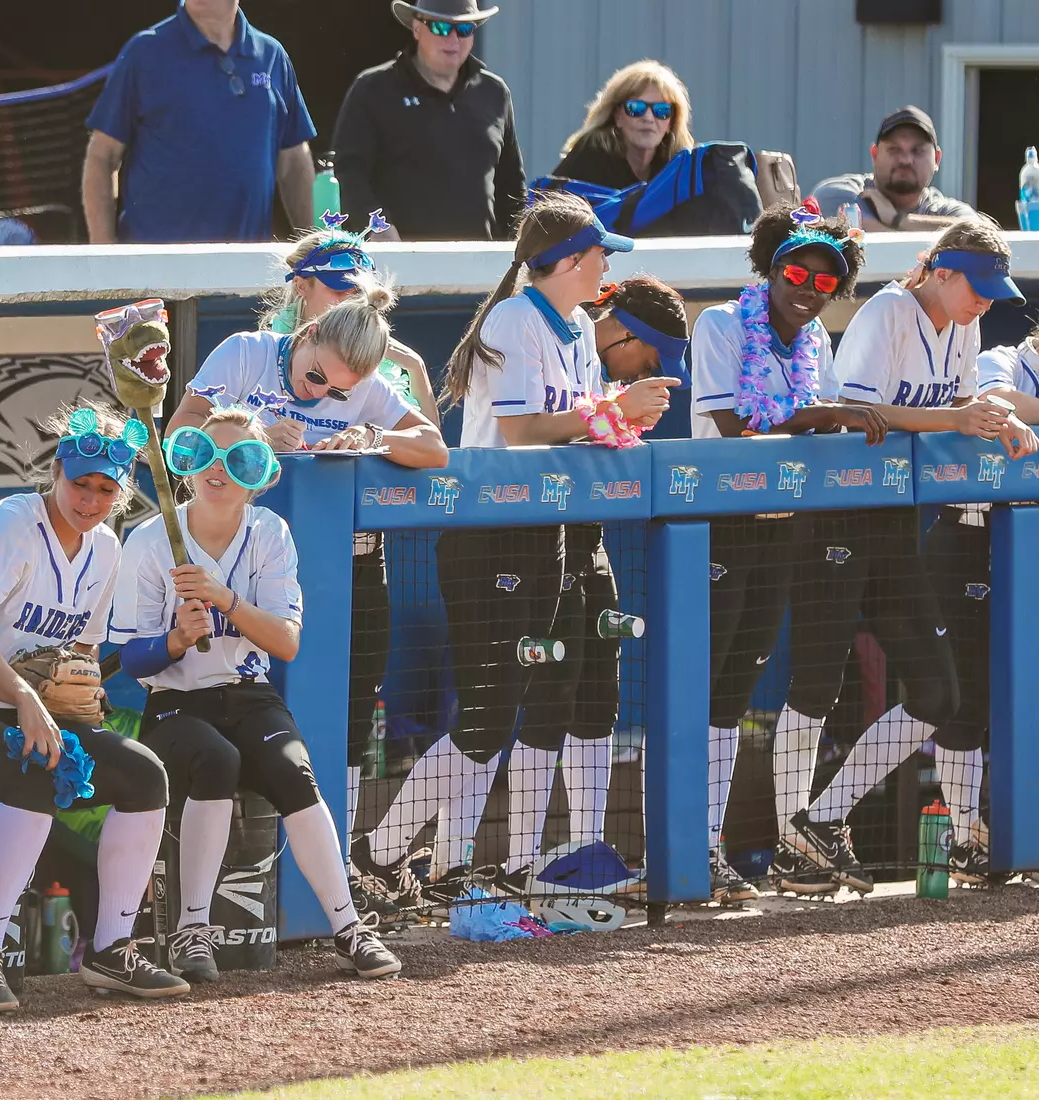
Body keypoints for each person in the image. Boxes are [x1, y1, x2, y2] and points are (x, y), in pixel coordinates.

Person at [350, 192, 679, 904]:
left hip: (545, 532)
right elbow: (525, 430)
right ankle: (379, 854)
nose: (606, 268)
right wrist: (615, 409)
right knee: (486, 713)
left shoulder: (578, 325)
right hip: (489, 533)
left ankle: (450, 864)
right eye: (599, 255)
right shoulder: (513, 317)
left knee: (518, 707)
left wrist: (620, 420)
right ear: (566, 260)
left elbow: (580, 427)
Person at [0, 402, 187, 1010]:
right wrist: (26, 696)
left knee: (144, 774)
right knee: (36, 771)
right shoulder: (10, 524)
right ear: (56, 471)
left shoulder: (105, 547)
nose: (90, 499)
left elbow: (80, 648)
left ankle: (111, 949)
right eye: (80, 483)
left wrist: (84, 690)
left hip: (19, 713)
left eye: (105, 489)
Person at [780, 220, 1036, 893]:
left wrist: (999, 416)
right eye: (976, 287)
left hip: (895, 516)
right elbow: (856, 415)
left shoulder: (965, 327)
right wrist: (957, 419)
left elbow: (962, 404)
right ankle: (787, 841)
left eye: (992, 291)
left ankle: (820, 818)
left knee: (937, 692)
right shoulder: (889, 310)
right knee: (816, 682)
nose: (984, 301)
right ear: (940, 272)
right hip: (838, 506)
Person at [112, 405, 404, 982]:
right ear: (186, 465)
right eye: (205, 454)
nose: (218, 469)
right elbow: (132, 659)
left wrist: (224, 599)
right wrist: (175, 640)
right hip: (175, 703)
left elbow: (286, 642)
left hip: (249, 692)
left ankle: (348, 927)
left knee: (294, 769)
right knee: (215, 761)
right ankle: (192, 932)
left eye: (239, 459)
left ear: (260, 476)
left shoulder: (269, 532)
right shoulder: (149, 539)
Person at [687, 205, 885, 899]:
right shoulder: (720, 324)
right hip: (715, 523)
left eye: (824, 282)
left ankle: (707, 853)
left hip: (779, 526)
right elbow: (734, 423)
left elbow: (816, 428)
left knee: (734, 697)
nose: (807, 289)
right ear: (771, 271)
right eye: (796, 274)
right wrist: (829, 414)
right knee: (699, 690)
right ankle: (678, 851)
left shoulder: (816, 340)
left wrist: (828, 418)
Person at [253, 217, 440, 913]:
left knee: (356, 714)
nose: (346, 299)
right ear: (302, 289)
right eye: (334, 287)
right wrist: (256, 433)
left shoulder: (375, 368)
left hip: (359, 561)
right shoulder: (261, 355)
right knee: (275, 715)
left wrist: (378, 425)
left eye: (355, 290)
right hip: (267, 568)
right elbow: (194, 444)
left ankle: (341, 866)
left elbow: (434, 448)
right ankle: (268, 870)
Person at [957, 290, 1039, 880]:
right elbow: (996, 401)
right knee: (964, 694)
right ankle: (994, 825)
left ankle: (1020, 824)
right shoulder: (1006, 356)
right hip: (970, 535)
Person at [81, 0, 314, 244]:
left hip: (247, 261)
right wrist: (103, 253)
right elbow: (102, 156)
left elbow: (293, 160)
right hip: (155, 262)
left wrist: (318, 250)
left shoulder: (272, 56)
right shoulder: (144, 50)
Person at [167, 276, 447, 467]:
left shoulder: (368, 387)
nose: (317, 392)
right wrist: (253, 441)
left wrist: (372, 436)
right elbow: (176, 432)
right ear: (311, 332)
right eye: (316, 375)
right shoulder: (245, 352)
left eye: (338, 393)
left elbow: (436, 448)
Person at [331, 0, 522, 241]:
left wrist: (520, 245)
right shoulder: (373, 90)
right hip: (398, 260)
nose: (453, 39)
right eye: (441, 27)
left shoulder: (494, 93)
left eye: (464, 29)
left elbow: (512, 187)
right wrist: (377, 228)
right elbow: (349, 173)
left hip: (480, 259)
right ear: (417, 29)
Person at [810, 106, 976, 233]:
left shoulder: (946, 210)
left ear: (937, 159)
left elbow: (979, 232)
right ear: (875, 155)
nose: (905, 160)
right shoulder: (840, 194)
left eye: (917, 150)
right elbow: (862, 237)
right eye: (894, 149)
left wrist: (897, 219)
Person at [553, 60, 695, 190]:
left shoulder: (679, 169)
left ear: (671, 122)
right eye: (636, 108)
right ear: (617, 116)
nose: (648, 118)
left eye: (661, 110)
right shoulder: (589, 156)